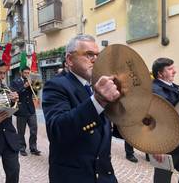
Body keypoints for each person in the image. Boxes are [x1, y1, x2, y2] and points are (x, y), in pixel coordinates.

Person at [42, 34, 121, 183]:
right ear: (70, 60)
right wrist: (97, 101)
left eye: (98, 55)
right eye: (89, 54)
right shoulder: (56, 85)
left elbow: (109, 127)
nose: (96, 59)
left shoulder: (95, 85)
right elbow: (57, 129)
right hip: (74, 177)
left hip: (104, 176)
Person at [11, 66, 41, 156]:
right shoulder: (15, 82)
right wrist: (24, 86)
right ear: (21, 73)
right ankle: (22, 147)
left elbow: (36, 92)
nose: (27, 74)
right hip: (21, 109)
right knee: (21, 131)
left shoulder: (31, 81)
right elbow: (14, 94)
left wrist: (35, 86)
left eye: (28, 73)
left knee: (34, 129)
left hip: (31, 109)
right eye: (25, 73)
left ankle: (33, 147)